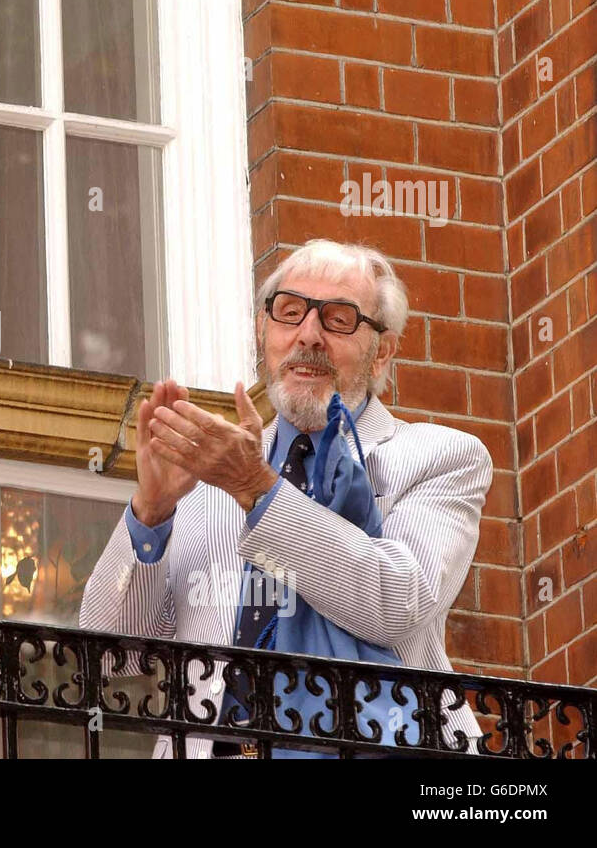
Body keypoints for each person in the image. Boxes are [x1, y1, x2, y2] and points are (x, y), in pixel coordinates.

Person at [79, 239, 493, 759]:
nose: (309, 336)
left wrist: (258, 490)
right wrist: (152, 512)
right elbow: (110, 658)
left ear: (382, 350)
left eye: (338, 319)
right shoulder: (208, 477)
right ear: (263, 330)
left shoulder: (441, 457)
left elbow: (396, 607)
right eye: (290, 312)